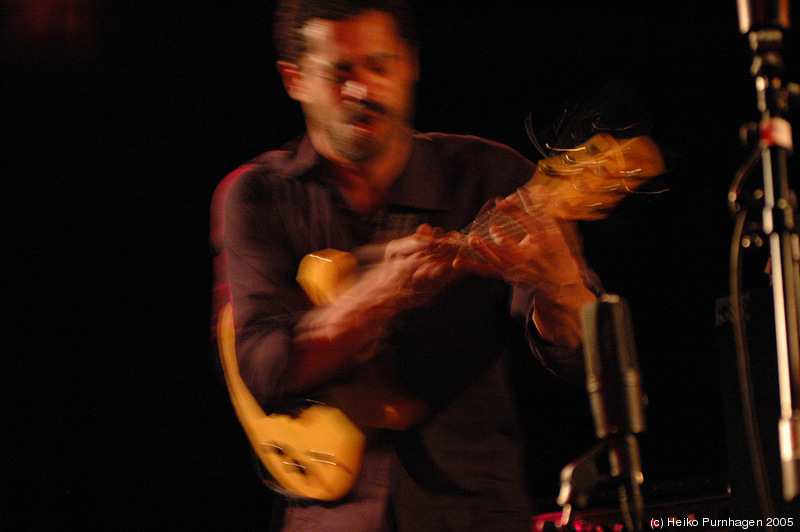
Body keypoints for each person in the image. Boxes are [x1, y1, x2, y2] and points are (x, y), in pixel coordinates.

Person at [211, 0, 598, 529]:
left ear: (410, 63)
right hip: (330, 519)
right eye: (340, 73)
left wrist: (559, 281)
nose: (363, 90)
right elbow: (265, 371)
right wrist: (380, 294)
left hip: (474, 513)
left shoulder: (492, 177)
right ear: (294, 78)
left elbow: (587, 360)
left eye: (379, 66)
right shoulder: (258, 196)